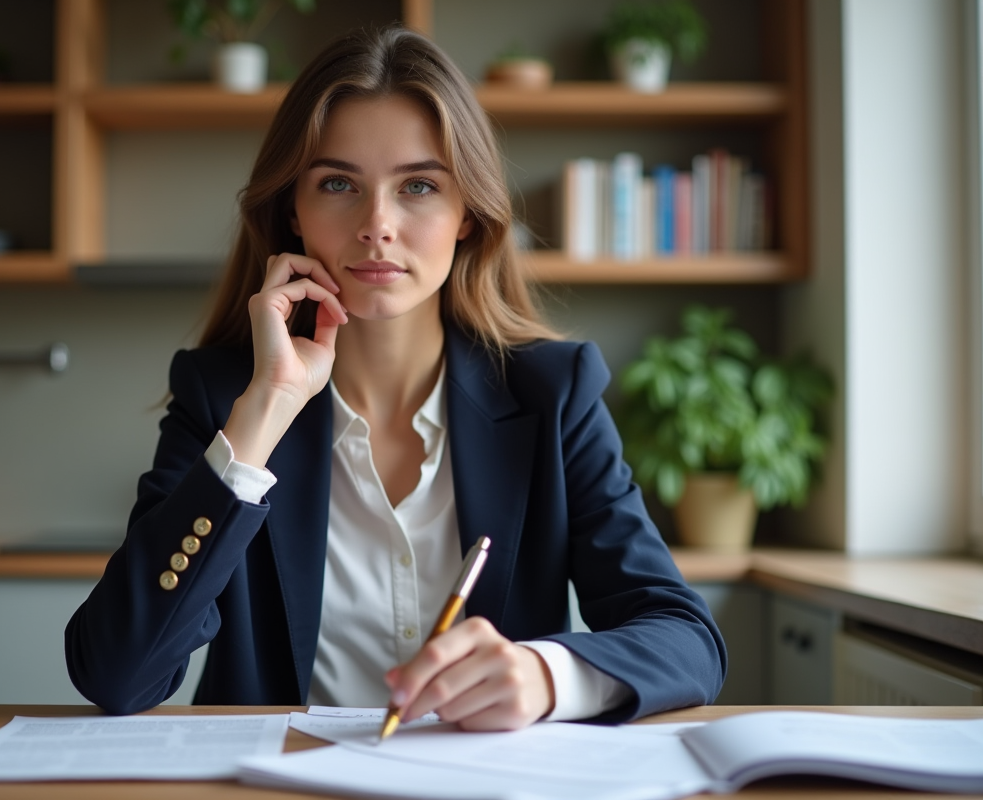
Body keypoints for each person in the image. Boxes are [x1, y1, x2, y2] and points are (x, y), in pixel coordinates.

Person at [65, 25, 725, 729]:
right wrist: (265, 412)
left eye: (418, 186)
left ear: (466, 212)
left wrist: (545, 675)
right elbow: (116, 673)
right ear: (294, 209)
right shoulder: (225, 394)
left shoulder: (553, 392)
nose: (377, 225)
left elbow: (687, 641)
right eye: (339, 183)